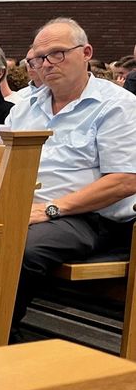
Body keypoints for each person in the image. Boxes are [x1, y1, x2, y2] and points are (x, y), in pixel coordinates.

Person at [8, 18, 136, 321]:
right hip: (28, 209)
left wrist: (51, 208)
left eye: (57, 53)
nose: (47, 63)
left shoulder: (118, 105)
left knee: (17, 249)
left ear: (86, 52)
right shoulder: (24, 107)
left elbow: (125, 180)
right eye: (39, 57)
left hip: (92, 217)